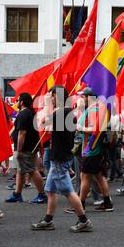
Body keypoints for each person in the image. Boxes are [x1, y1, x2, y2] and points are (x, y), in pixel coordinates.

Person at [31, 86, 93, 232]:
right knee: (51, 190)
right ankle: (48, 220)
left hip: (60, 157)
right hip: (59, 156)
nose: (50, 98)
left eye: (51, 96)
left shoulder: (63, 112)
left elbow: (43, 123)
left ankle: (83, 220)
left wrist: (46, 105)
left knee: (67, 191)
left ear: (56, 96)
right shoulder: (65, 112)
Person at [76, 87, 114, 212]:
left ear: (89, 97)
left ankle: (80, 205)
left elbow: (94, 130)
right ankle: (107, 203)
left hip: (92, 149)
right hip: (96, 149)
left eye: (83, 97)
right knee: (99, 176)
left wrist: (80, 127)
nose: (82, 99)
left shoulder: (94, 109)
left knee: (85, 176)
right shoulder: (96, 108)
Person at [5, 93, 47, 204]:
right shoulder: (29, 112)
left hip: (26, 148)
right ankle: (17, 194)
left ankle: (42, 194)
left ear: (22, 102)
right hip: (30, 146)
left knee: (32, 170)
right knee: (20, 170)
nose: (16, 102)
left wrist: (19, 150)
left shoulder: (24, 114)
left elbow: (21, 133)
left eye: (18, 100)